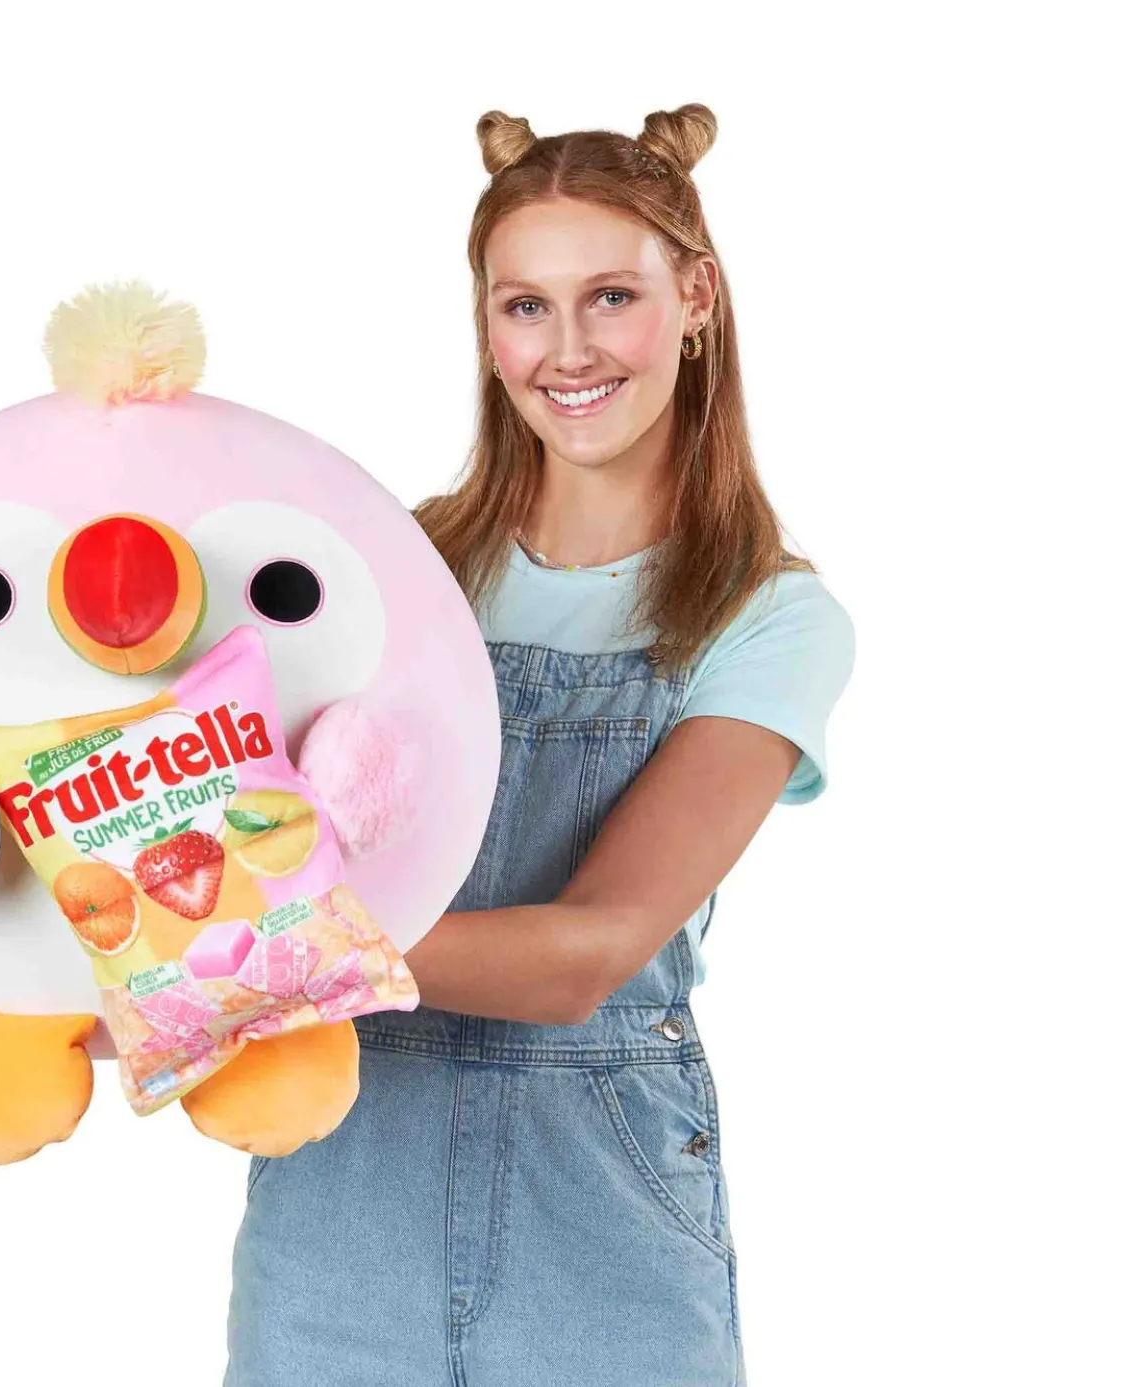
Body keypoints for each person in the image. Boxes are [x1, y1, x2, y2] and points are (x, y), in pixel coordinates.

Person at [224, 104, 854, 1386]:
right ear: (486, 325)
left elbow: (588, 953)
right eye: (526, 306)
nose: (567, 351)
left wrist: (257, 951)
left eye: (610, 296)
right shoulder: (390, 567)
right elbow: (211, 766)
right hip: (342, 1185)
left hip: (599, 1203)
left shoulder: (768, 617)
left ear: (695, 297)